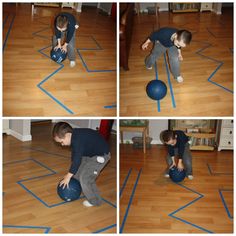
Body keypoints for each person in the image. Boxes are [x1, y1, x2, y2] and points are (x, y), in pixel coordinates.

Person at [53, 122, 111, 207]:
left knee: (85, 178)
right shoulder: (74, 137)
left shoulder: (77, 139)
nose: (62, 144)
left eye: (61, 142)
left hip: (101, 155)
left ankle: (95, 201)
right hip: (89, 153)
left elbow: (77, 160)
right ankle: (85, 191)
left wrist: (68, 176)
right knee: (76, 174)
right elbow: (75, 155)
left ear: (68, 134)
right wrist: (72, 172)